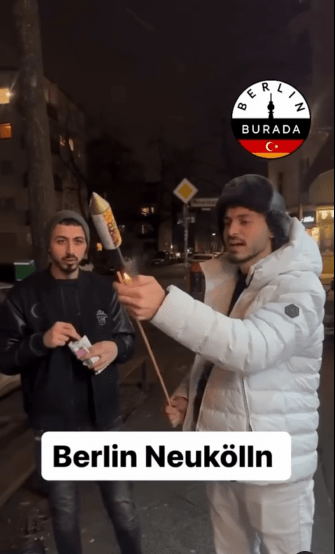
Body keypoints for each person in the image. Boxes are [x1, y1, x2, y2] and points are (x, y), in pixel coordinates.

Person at [115, 175, 326, 554]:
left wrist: (166, 306)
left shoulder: (299, 287)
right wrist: (188, 398)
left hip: (278, 471)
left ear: (273, 226)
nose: (233, 230)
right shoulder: (233, 281)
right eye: (227, 222)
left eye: (245, 220)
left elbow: (252, 348)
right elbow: (216, 355)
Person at [0, 210, 143, 554]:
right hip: (54, 425)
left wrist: (113, 346)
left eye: (77, 242)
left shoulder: (102, 289)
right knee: (64, 513)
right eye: (61, 241)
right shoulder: (24, 295)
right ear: (48, 246)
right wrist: (40, 342)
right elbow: (4, 357)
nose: (70, 250)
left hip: (105, 420)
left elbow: (128, 340)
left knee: (123, 508)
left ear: (86, 248)